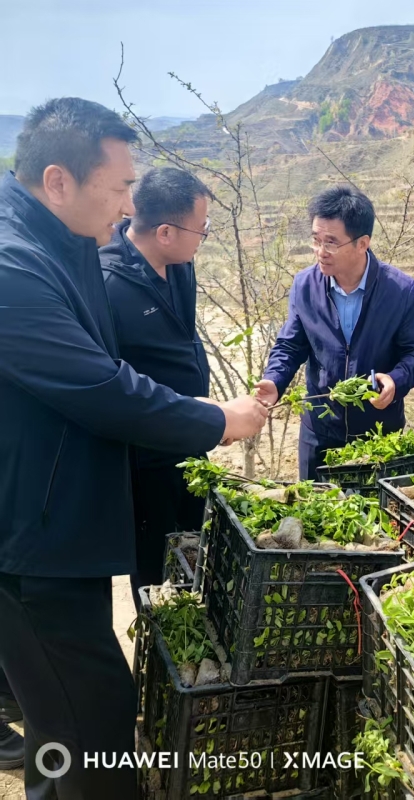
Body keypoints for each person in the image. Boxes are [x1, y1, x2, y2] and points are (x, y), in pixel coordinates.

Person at [0, 98, 268, 799]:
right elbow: (102, 386)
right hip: (32, 545)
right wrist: (216, 420)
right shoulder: (12, 267)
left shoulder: (64, 241)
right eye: (120, 187)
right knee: (94, 729)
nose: (128, 207)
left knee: (63, 727)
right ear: (58, 181)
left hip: (64, 528)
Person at [256, 185, 414, 479]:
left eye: (331, 242)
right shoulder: (305, 285)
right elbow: (290, 345)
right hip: (320, 432)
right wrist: (275, 380)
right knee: (315, 505)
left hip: (378, 435)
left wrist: (396, 380)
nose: (320, 252)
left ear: (362, 243)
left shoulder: (399, 290)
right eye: (316, 240)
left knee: (374, 507)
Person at [99, 167, 213, 609]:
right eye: (200, 229)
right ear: (165, 232)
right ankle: (157, 645)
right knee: (156, 574)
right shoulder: (109, 285)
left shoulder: (179, 265)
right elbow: (112, 384)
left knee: (200, 556)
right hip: (145, 459)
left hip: (189, 439)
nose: (204, 237)